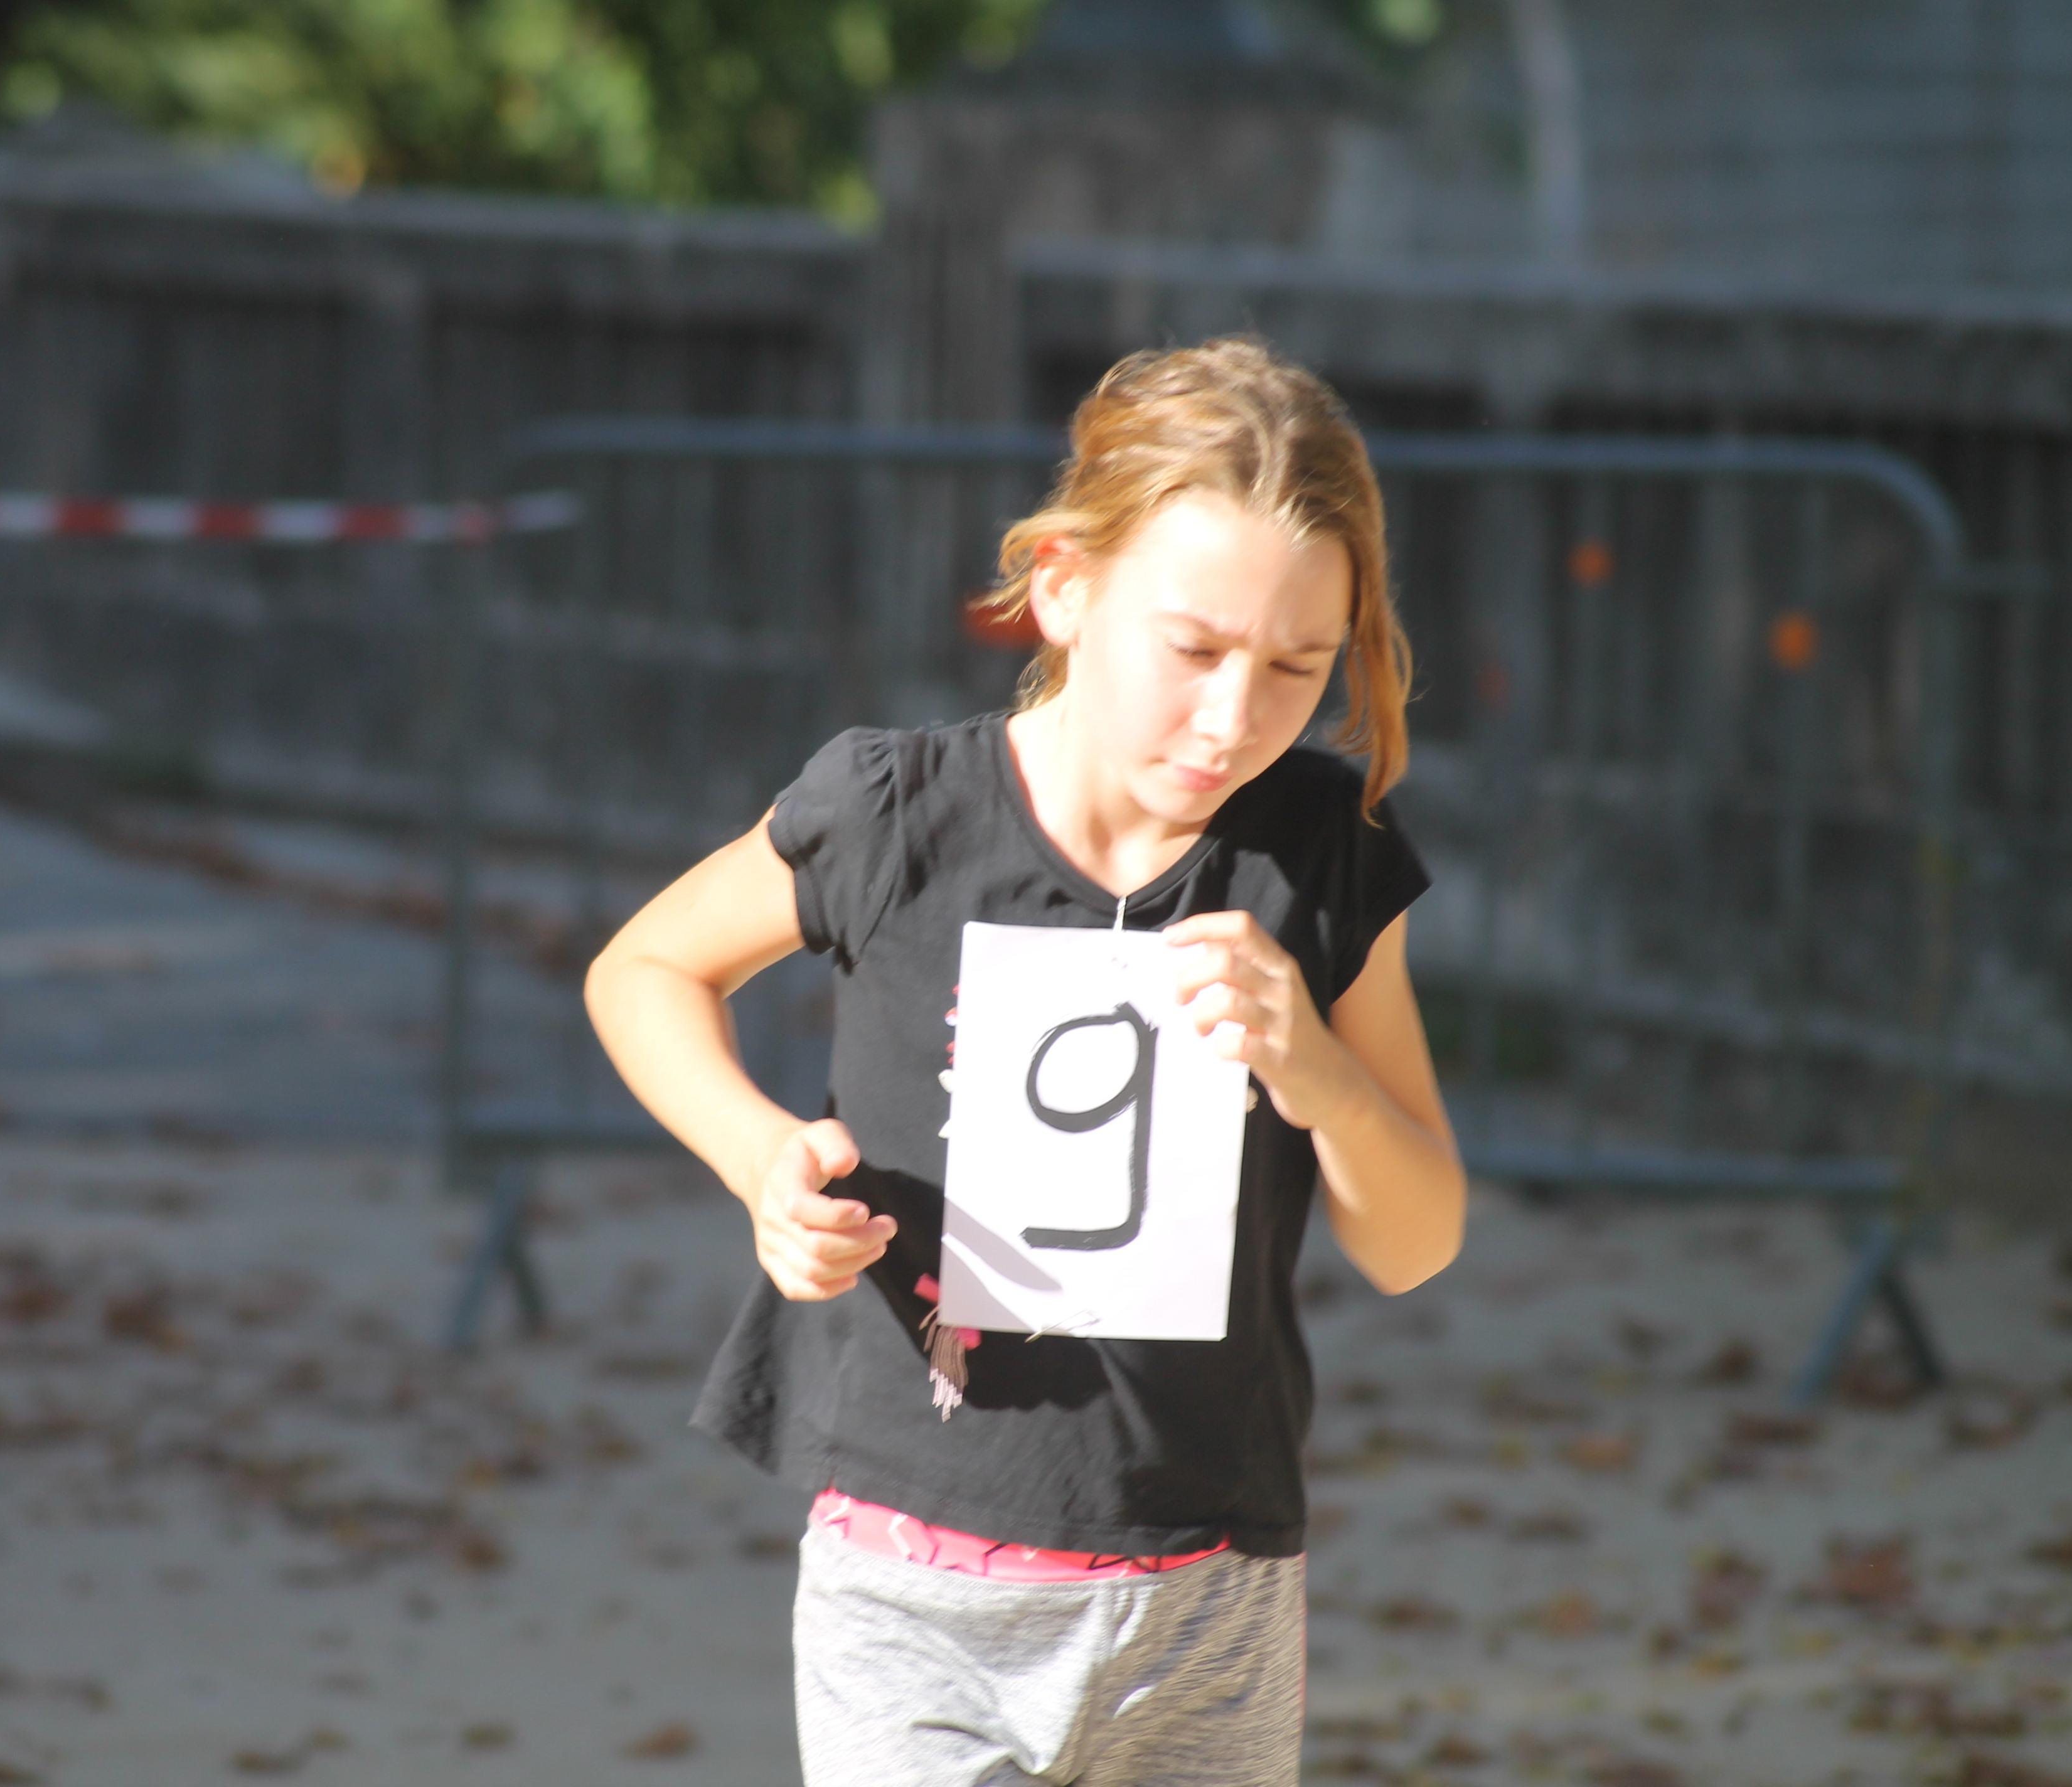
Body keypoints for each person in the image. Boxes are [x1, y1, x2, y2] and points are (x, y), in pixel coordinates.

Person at [585, 336, 1466, 1786]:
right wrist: (757, 1155)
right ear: (1063, 585)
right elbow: (645, 968)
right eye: (1193, 650)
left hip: (1213, 1592)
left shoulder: (1324, 856)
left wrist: (1318, 1074)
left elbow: (1418, 1237)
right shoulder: (898, 811)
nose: (1234, 716)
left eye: (1296, 667)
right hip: (913, 1594)